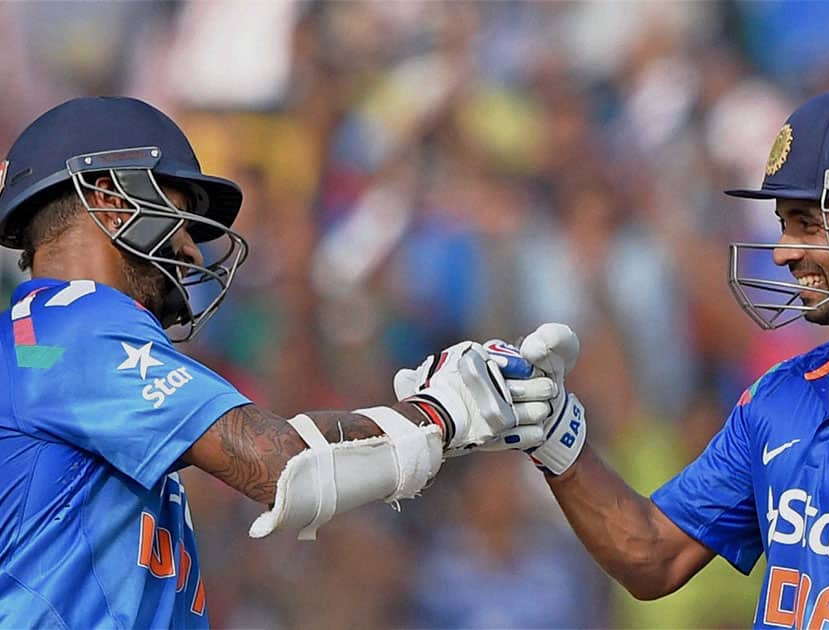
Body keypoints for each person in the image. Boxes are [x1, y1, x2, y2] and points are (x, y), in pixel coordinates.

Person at [0, 96, 556, 628]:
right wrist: (442, 415)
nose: (193, 251)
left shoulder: (43, 341)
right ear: (109, 199)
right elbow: (284, 466)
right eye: (178, 212)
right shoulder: (71, 323)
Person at [486, 87, 829, 628]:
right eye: (783, 223)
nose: (783, 251)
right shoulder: (778, 397)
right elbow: (653, 556)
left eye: (809, 223)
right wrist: (552, 435)